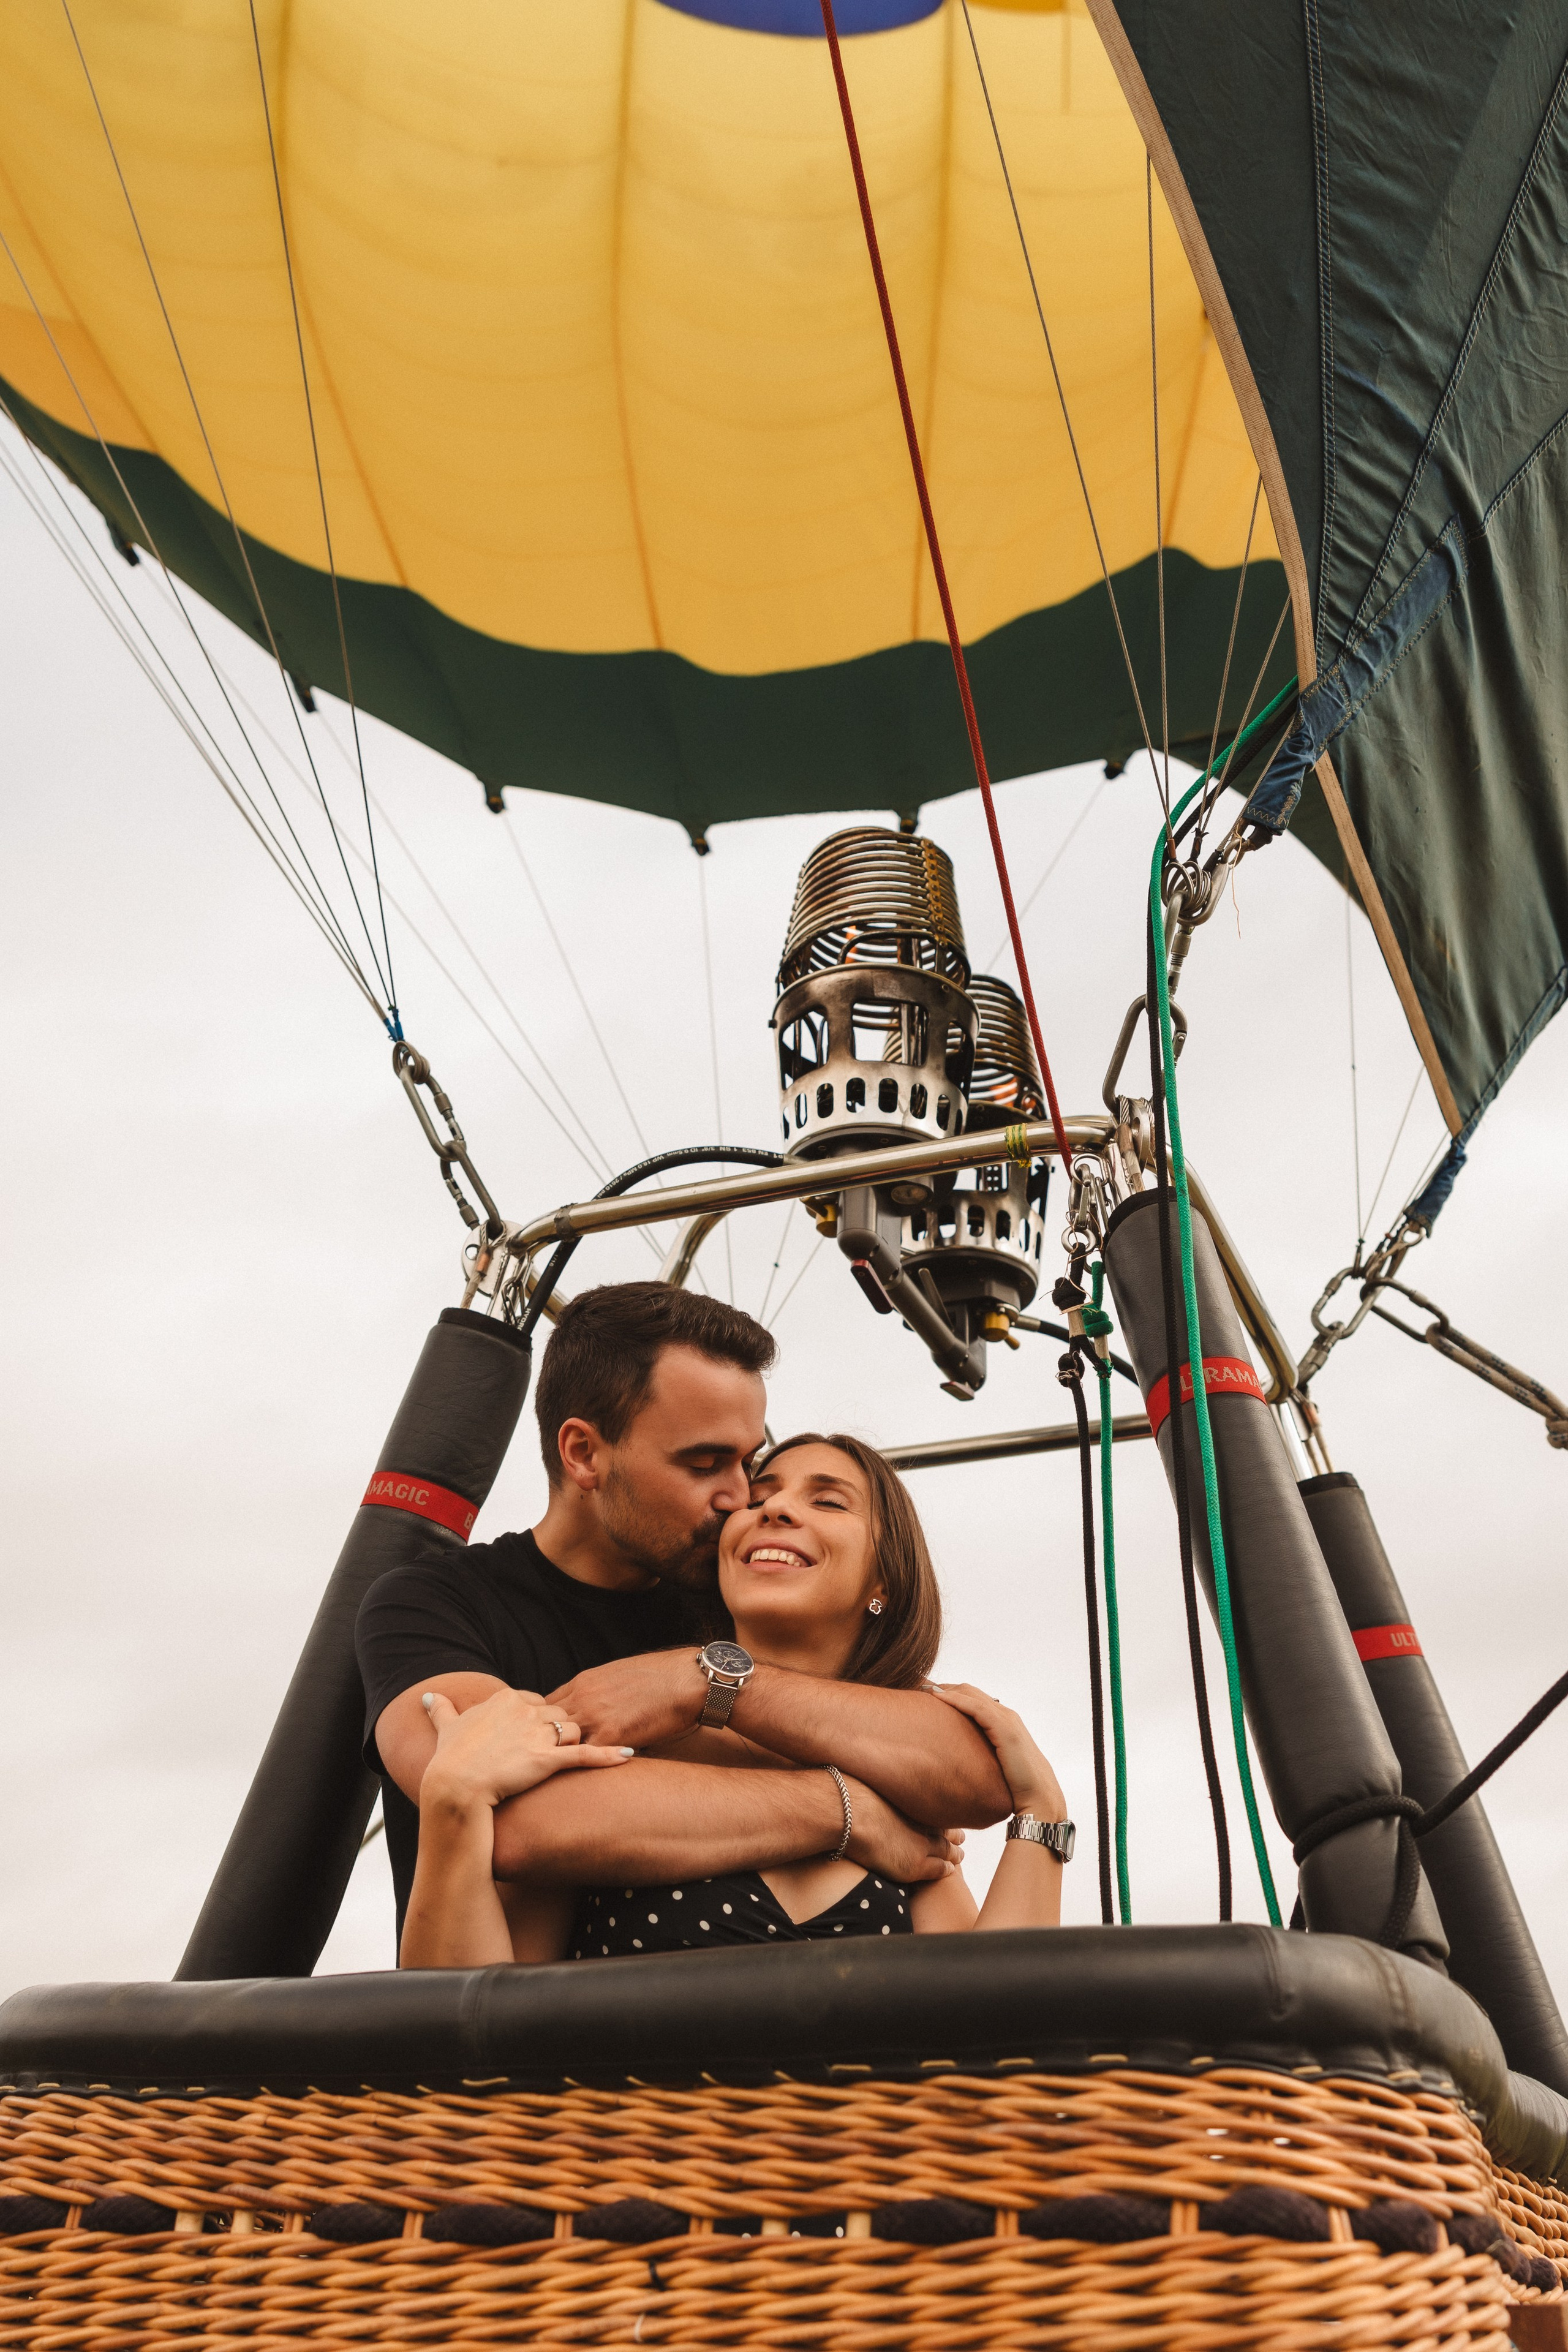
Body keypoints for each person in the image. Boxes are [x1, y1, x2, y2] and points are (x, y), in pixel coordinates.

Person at [358, 1283, 1015, 1959]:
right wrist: (844, 1809)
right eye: (704, 1464)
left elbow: (974, 1778)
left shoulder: (741, 1599)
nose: (738, 1497)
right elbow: (523, 1823)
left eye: (748, 1463)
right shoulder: (432, 1606)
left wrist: (706, 1684)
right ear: (584, 1454)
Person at [399, 1431, 1071, 1966]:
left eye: (828, 1502)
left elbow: (993, 2031)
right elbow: (473, 2020)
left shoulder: (903, 1796)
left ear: (885, 1584)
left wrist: (1042, 1812)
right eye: (761, 1496)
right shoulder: (621, 1748)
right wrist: (451, 1804)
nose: (774, 1508)